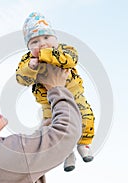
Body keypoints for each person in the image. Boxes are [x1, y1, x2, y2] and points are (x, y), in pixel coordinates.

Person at [16, 12, 95, 172]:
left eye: (46, 38)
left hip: (75, 96)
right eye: (35, 41)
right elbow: (21, 79)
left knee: (86, 116)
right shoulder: (28, 59)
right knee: (56, 127)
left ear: (55, 39)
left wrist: (45, 54)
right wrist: (31, 67)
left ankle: (84, 143)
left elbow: (70, 60)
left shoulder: (64, 49)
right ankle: (67, 154)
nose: (42, 43)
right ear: (29, 46)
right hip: (48, 102)